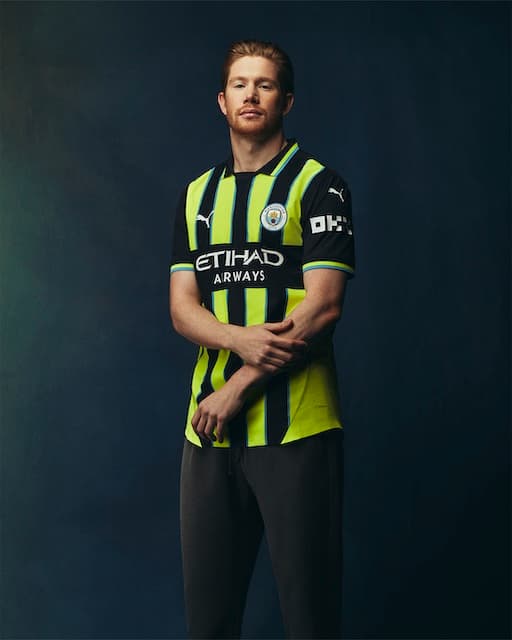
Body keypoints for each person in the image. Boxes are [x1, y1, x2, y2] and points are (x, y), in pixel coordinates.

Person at [169, 39, 355, 640]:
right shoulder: (197, 195)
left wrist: (241, 381)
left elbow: (323, 307)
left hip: (296, 429)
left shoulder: (319, 185)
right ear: (222, 102)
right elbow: (182, 309)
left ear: (286, 101)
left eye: (265, 84)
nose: (251, 95)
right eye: (240, 85)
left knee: (310, 621)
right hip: (208, 433)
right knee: (209, 622)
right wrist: (237, 339)